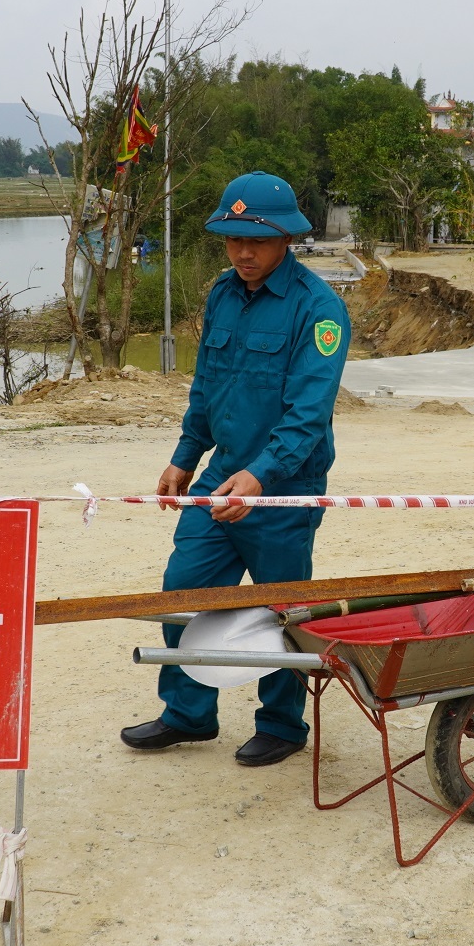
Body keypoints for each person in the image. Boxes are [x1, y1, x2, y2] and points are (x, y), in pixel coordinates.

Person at [119, 171, 351, 766]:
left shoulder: (319, 311)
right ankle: (188, 715)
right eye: (233, 239)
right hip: (218, 477)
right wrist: (182, 456)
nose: (244, 252)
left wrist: (263, 476)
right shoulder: (222, 293)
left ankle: (281, 723)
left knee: (281, 606)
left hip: (283, 489)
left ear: (288, 240)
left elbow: (307, 415)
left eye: (258, 240)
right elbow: (207, 387)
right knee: (183, 589)